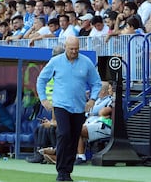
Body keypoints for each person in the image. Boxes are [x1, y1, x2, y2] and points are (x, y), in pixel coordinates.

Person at [36, 36, 102, 181]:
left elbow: (96, 83)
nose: (74, 52)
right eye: (71, 49)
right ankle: (61, 171)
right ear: (65, 47)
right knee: (64, 134)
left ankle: (67, 171)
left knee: (73, 138)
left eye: (77, 49)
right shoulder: (55, 61)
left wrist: (92, 99)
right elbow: (41, 79)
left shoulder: (86, 62)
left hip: (79, 107)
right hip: (61, 105)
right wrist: (44, 99)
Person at [75, 82, 113, 165]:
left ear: (102, 91)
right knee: (71, 128)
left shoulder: (110, 100)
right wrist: (91, 111)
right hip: (91, 123)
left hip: (103, 127)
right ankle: (61, 153)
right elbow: (87, 111)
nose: (94, 92)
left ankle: (81, 157)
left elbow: (97, 111)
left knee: (77, 129)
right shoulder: (97, 100)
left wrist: (91, 111)